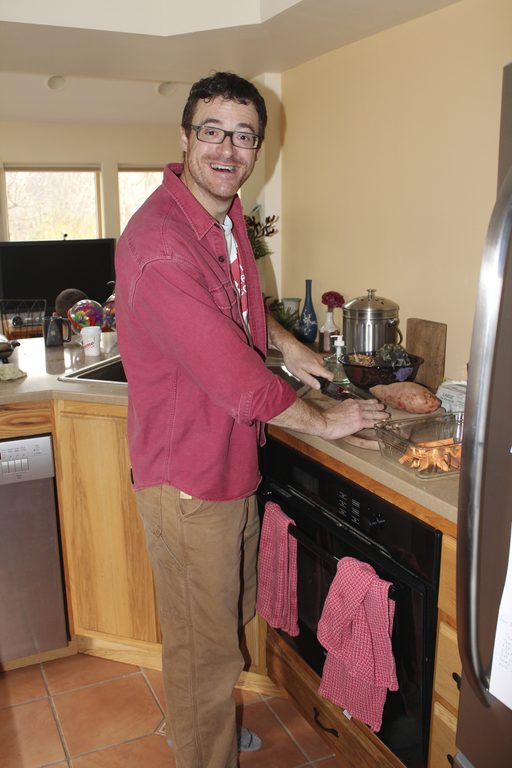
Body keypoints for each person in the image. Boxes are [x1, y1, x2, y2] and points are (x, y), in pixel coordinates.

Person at [115, 71, 388, 768]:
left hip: (228, 464)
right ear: (184, 138)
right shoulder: (162, 244)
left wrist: (294, 350)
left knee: (222, 618)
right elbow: (237, 379)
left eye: (243, 135)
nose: (227, 149)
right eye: (212, 130)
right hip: (188, 479)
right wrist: (327, 422)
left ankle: (196, 721)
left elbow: (240, 316)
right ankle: (202, 744)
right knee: (204, 648)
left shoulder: (224, 218)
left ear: (257, 147)